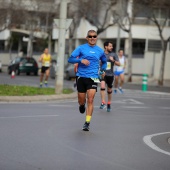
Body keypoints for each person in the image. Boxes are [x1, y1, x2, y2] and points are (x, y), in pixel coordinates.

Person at [68, 30, 107, 131]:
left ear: (96, 38)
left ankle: (87, 123)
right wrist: (80, 60)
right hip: (81, 76)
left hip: (93, 77)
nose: (92, 38)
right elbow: (70, 59)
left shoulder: (100, 51)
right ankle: (81, 105)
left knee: (90, 99)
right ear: (87, 38)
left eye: (94, 36)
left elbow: (104, 62)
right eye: (90, 36)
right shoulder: (81, 48)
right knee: (81, 99)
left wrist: (102, 70)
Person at [100, 41, 120, 112]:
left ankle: (109, 103)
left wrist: (113, 60)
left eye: (112, 46)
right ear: (106, 47)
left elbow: (119, 64)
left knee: (109, 90)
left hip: (111, 75)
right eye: (110, 46)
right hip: (103, 74)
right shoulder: (101, 54)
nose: (112, 47)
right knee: (102, 86)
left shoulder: (114, 54)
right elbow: (98, 62)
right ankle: (103, 102)